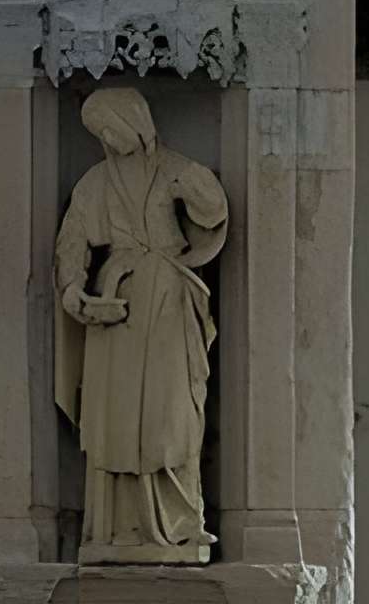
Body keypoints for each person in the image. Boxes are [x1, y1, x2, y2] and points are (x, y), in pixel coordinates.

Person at [54, 91, 229, 563]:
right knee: (114, 415)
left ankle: (178, 524)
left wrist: (198, 190)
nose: (107, 139)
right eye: (98, 133)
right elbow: (72, 240)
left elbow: (212, 212)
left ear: (136, 120)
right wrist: (75, 292)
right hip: (117, 306)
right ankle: (116, 530)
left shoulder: (172, 167)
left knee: (171, 412)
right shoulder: (95, 183)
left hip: (169, 299)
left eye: (111, 126)